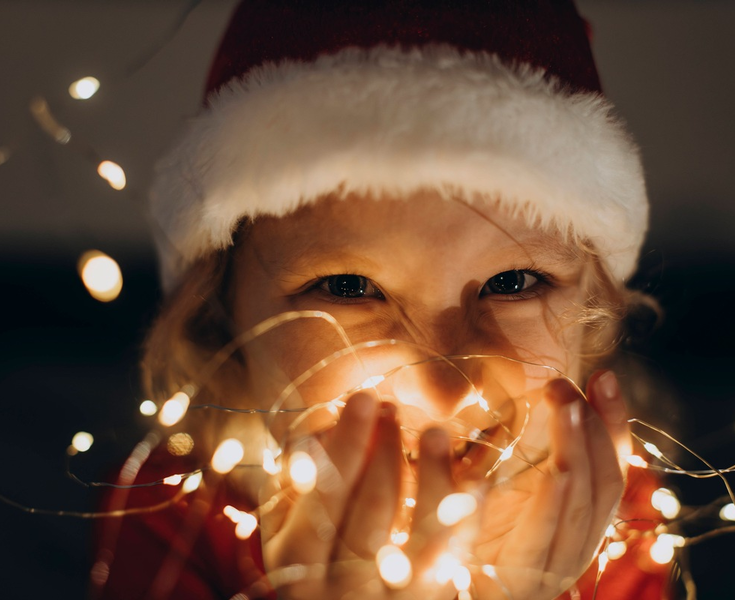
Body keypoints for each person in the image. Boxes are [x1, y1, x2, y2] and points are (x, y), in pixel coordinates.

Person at [92, 1, 671, 598]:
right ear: (221, 316)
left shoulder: (612, 515)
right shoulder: (167, 513)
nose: (447, 389)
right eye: (350, 289)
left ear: (593, 317)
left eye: (514, 283)